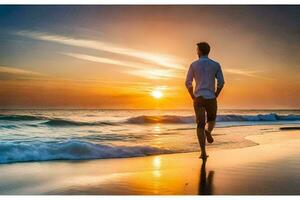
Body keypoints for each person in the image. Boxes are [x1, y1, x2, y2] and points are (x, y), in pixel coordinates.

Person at [185, 42, 225, 159]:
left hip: (199, 98)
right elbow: (221, 82)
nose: (196, 52)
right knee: (211, 119)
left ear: (200, 51)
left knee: (200, 125)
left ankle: (203, 152)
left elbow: (188, 82)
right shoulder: (215, 65)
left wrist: (192, 95)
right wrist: (216, 93)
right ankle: (209, 131)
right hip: (211, 97)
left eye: (197, 50)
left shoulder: (193, 65)